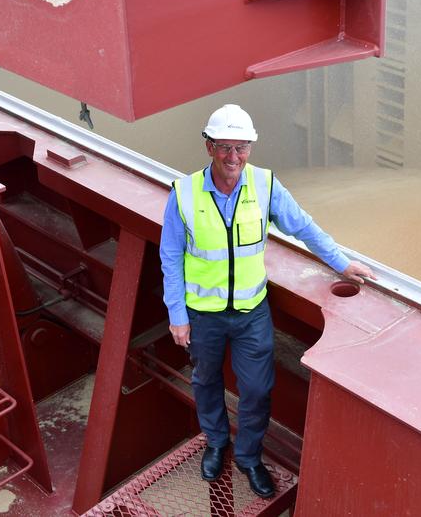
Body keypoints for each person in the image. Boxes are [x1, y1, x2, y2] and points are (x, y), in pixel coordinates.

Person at [160, 103, 376, 499]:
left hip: (250, 313)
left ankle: (248, 457)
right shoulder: (184, 195)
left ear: (250, 149)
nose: (233, 158)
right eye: (224, 147)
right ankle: (216, 443)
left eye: (241, 148)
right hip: (202, 315)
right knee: (206, 380)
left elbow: (303, 226)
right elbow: (171, 257)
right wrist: (177, 315)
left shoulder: (265, 186)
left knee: (257, 389)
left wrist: (342, 263)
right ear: (209, 147)